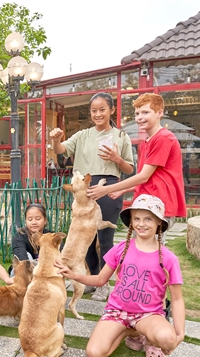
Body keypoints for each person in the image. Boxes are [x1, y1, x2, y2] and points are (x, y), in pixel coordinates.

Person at [54, 194, 185, 357]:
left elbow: (177, 300)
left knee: (168, 339)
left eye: (148, 219)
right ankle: (131, 331)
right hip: (117, 313)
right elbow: (100, 279)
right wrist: (74, 275)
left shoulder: (169, 258)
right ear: (131, 221)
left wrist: (180, 332)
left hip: (148, 315)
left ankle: (148, 338)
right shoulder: (122, 248)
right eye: (137, 218)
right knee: (94, 354)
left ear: (158, 223)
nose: (141, 224)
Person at [50, 92, 134, 301]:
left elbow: (130, 169)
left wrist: (116, 158)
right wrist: (55, 140)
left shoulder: (121, 137)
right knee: (85, 236)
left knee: (105, 239)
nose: (98, 114)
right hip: (84, 191)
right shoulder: (82, 135)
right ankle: (90, 278)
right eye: (94, 111)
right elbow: (61, 149)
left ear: (111, 110)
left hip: (109, 187)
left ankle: (103, 283)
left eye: (102, 110)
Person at [86, 93, 187, 240]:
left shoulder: (163, 138)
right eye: (137, 113)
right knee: (141, 249)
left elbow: (143, 176)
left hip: (158, 204)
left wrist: (106, 189)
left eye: (145, 112)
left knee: (150, 251)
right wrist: (123, 190)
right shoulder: (147, 141)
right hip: (146, 201)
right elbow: (150, 178)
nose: (140, 117)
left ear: (160, 113)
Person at [10, 203, 50, 275]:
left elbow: (60, 253)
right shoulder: (20, 236)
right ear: (25, 220)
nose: (34, 222)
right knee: (27, 257)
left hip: (46, 270)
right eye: (30, 219)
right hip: (24, 273)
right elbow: (22, 259)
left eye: (38, 219)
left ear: (45, 220)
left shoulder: (50, 236)